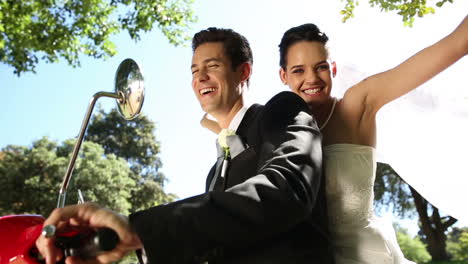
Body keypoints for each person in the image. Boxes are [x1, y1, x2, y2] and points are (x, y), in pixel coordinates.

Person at [36, 27, 334, 264]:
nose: (200, 77)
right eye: (194, 71)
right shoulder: (213, 174)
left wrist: (140, 228)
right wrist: (113, 242)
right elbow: (210, 237)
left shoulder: (281, 108)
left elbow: (288, 189)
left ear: (243, 72)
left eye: (212, 65)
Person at [275, 16, 468, 264]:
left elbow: (457, 44)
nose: (312, 78)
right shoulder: (282, 130)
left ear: (333, 68)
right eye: (299, 70)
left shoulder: (357, 106)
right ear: (284, 76)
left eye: (321, 66)